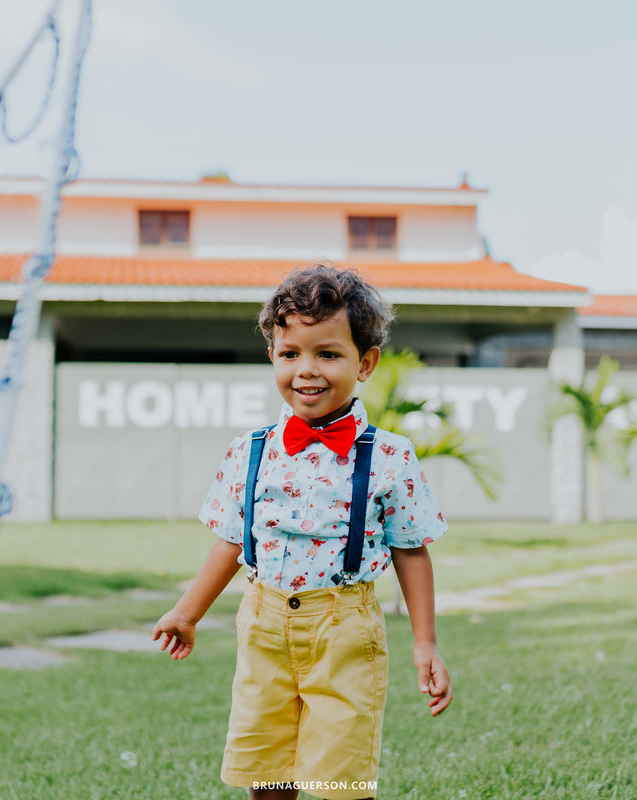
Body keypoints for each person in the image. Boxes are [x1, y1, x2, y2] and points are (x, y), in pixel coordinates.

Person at [152, 264, 453, 800]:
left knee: (340, 780)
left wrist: (424, 642)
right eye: (290, 353)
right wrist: (186, 613)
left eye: (327, 354)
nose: (306, 370)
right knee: (265, 769)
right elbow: (229, 541)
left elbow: (411, 550)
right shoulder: (250, 450)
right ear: (272, 355)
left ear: (365, 363)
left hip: (344, 630)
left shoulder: (389, 456)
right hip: (263, 624)